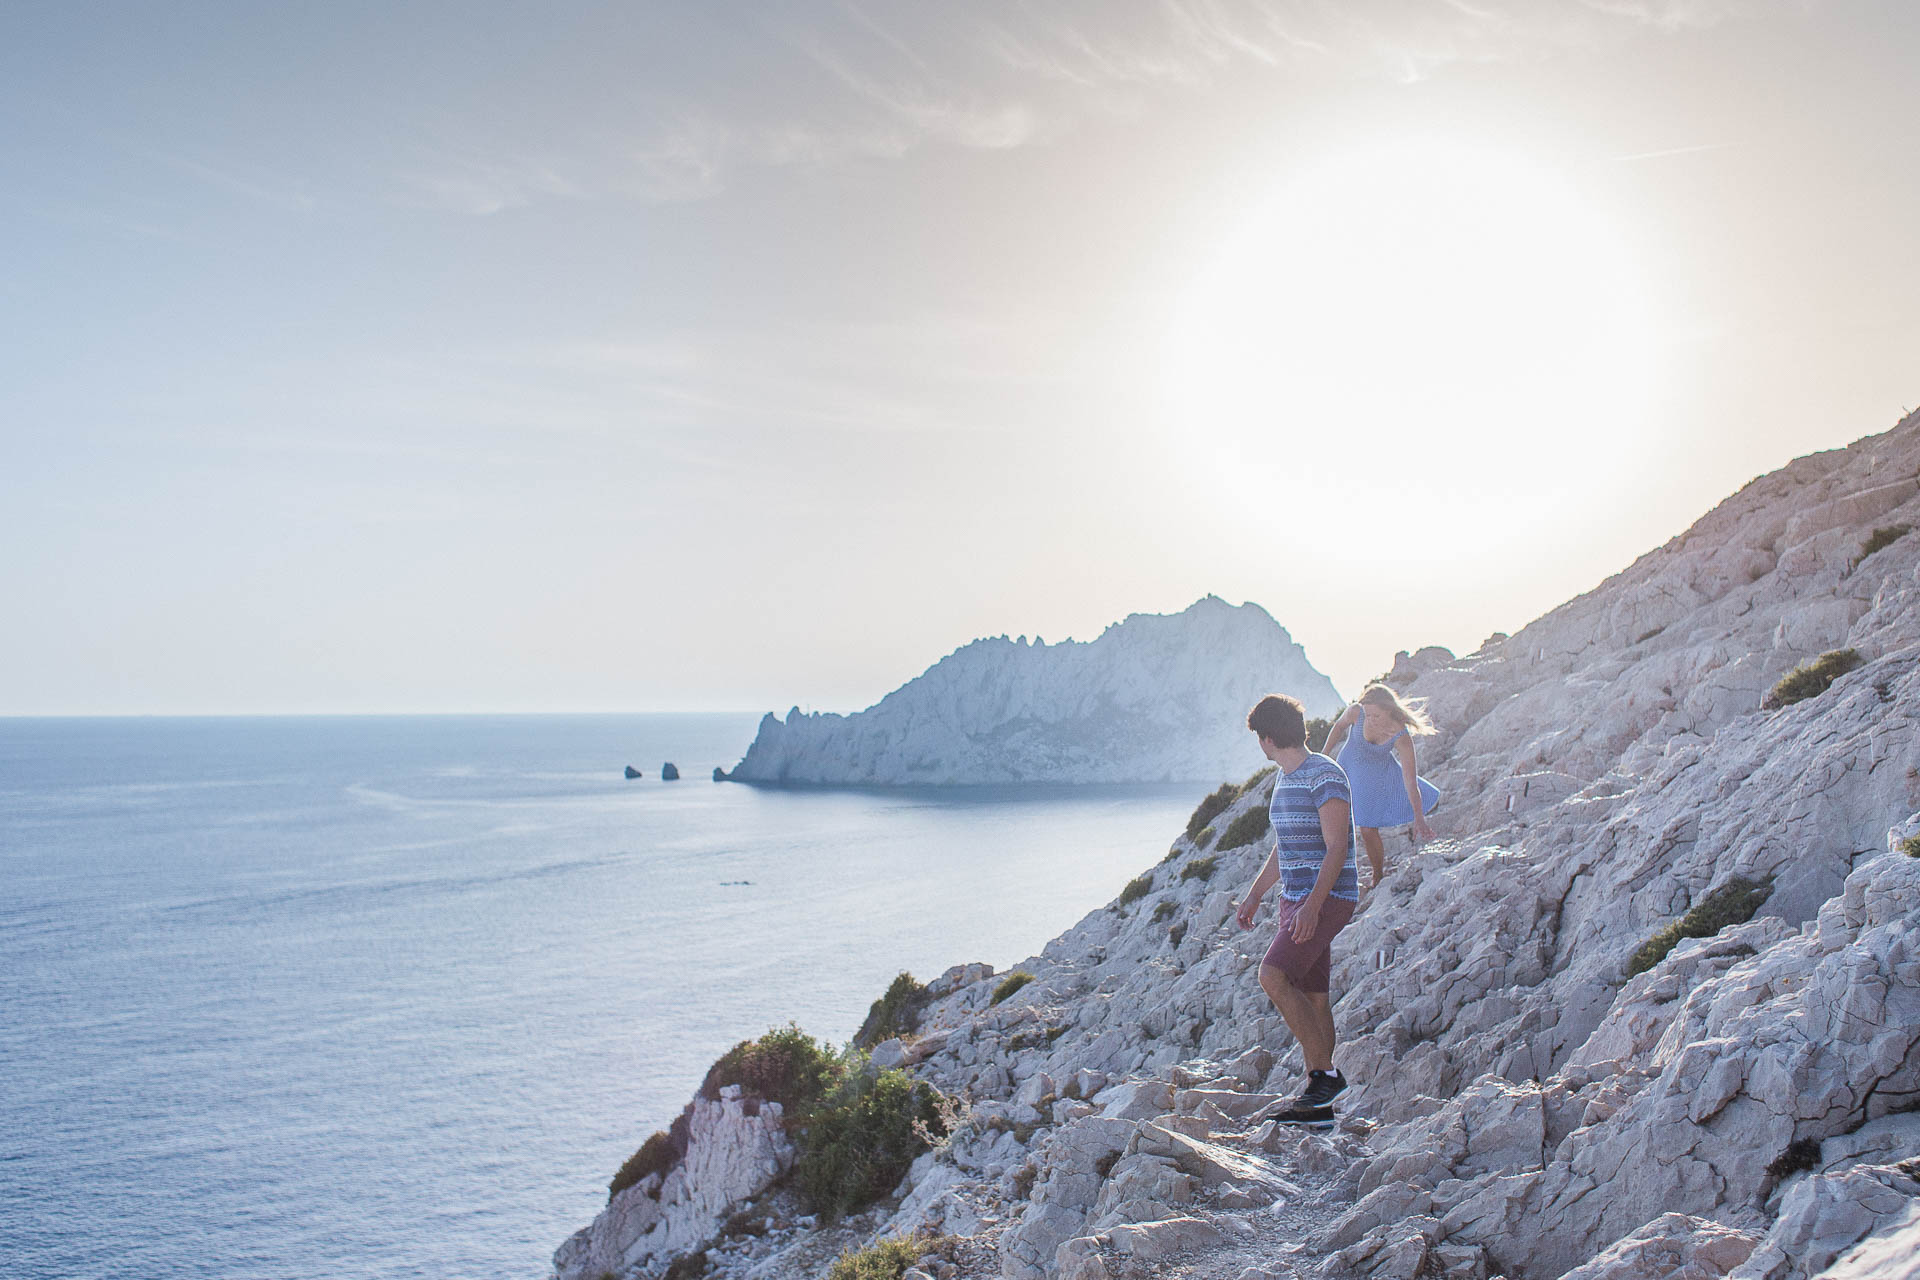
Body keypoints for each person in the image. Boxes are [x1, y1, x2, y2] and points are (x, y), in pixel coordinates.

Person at [1233, 693, 1358, 1127]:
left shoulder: (1325, 774)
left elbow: (1337, 847)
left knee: (1272, 975)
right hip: (1296, 901)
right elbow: (1283, 847)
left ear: (1268, 739)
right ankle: (1319, 1107)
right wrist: (1255, 895)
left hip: (1326, 898)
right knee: (1313, 995)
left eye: (1258, 739)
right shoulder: (1287, 780)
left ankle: (1325, 1076)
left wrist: (1312, 907)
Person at [1319, 684, 1440, 888]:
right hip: (1349, 766)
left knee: (1367, 828)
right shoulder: (1356, 712)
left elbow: (1410, 780)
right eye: (1369, 715)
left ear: (1389, 711)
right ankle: (1330, 874)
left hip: (1377, 777)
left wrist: (1419, 817)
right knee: (1333, 819)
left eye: (1376, 716)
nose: (1371, 720)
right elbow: (1339, 727)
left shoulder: (1400, 735)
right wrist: (1324, 754)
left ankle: (1377, 875)